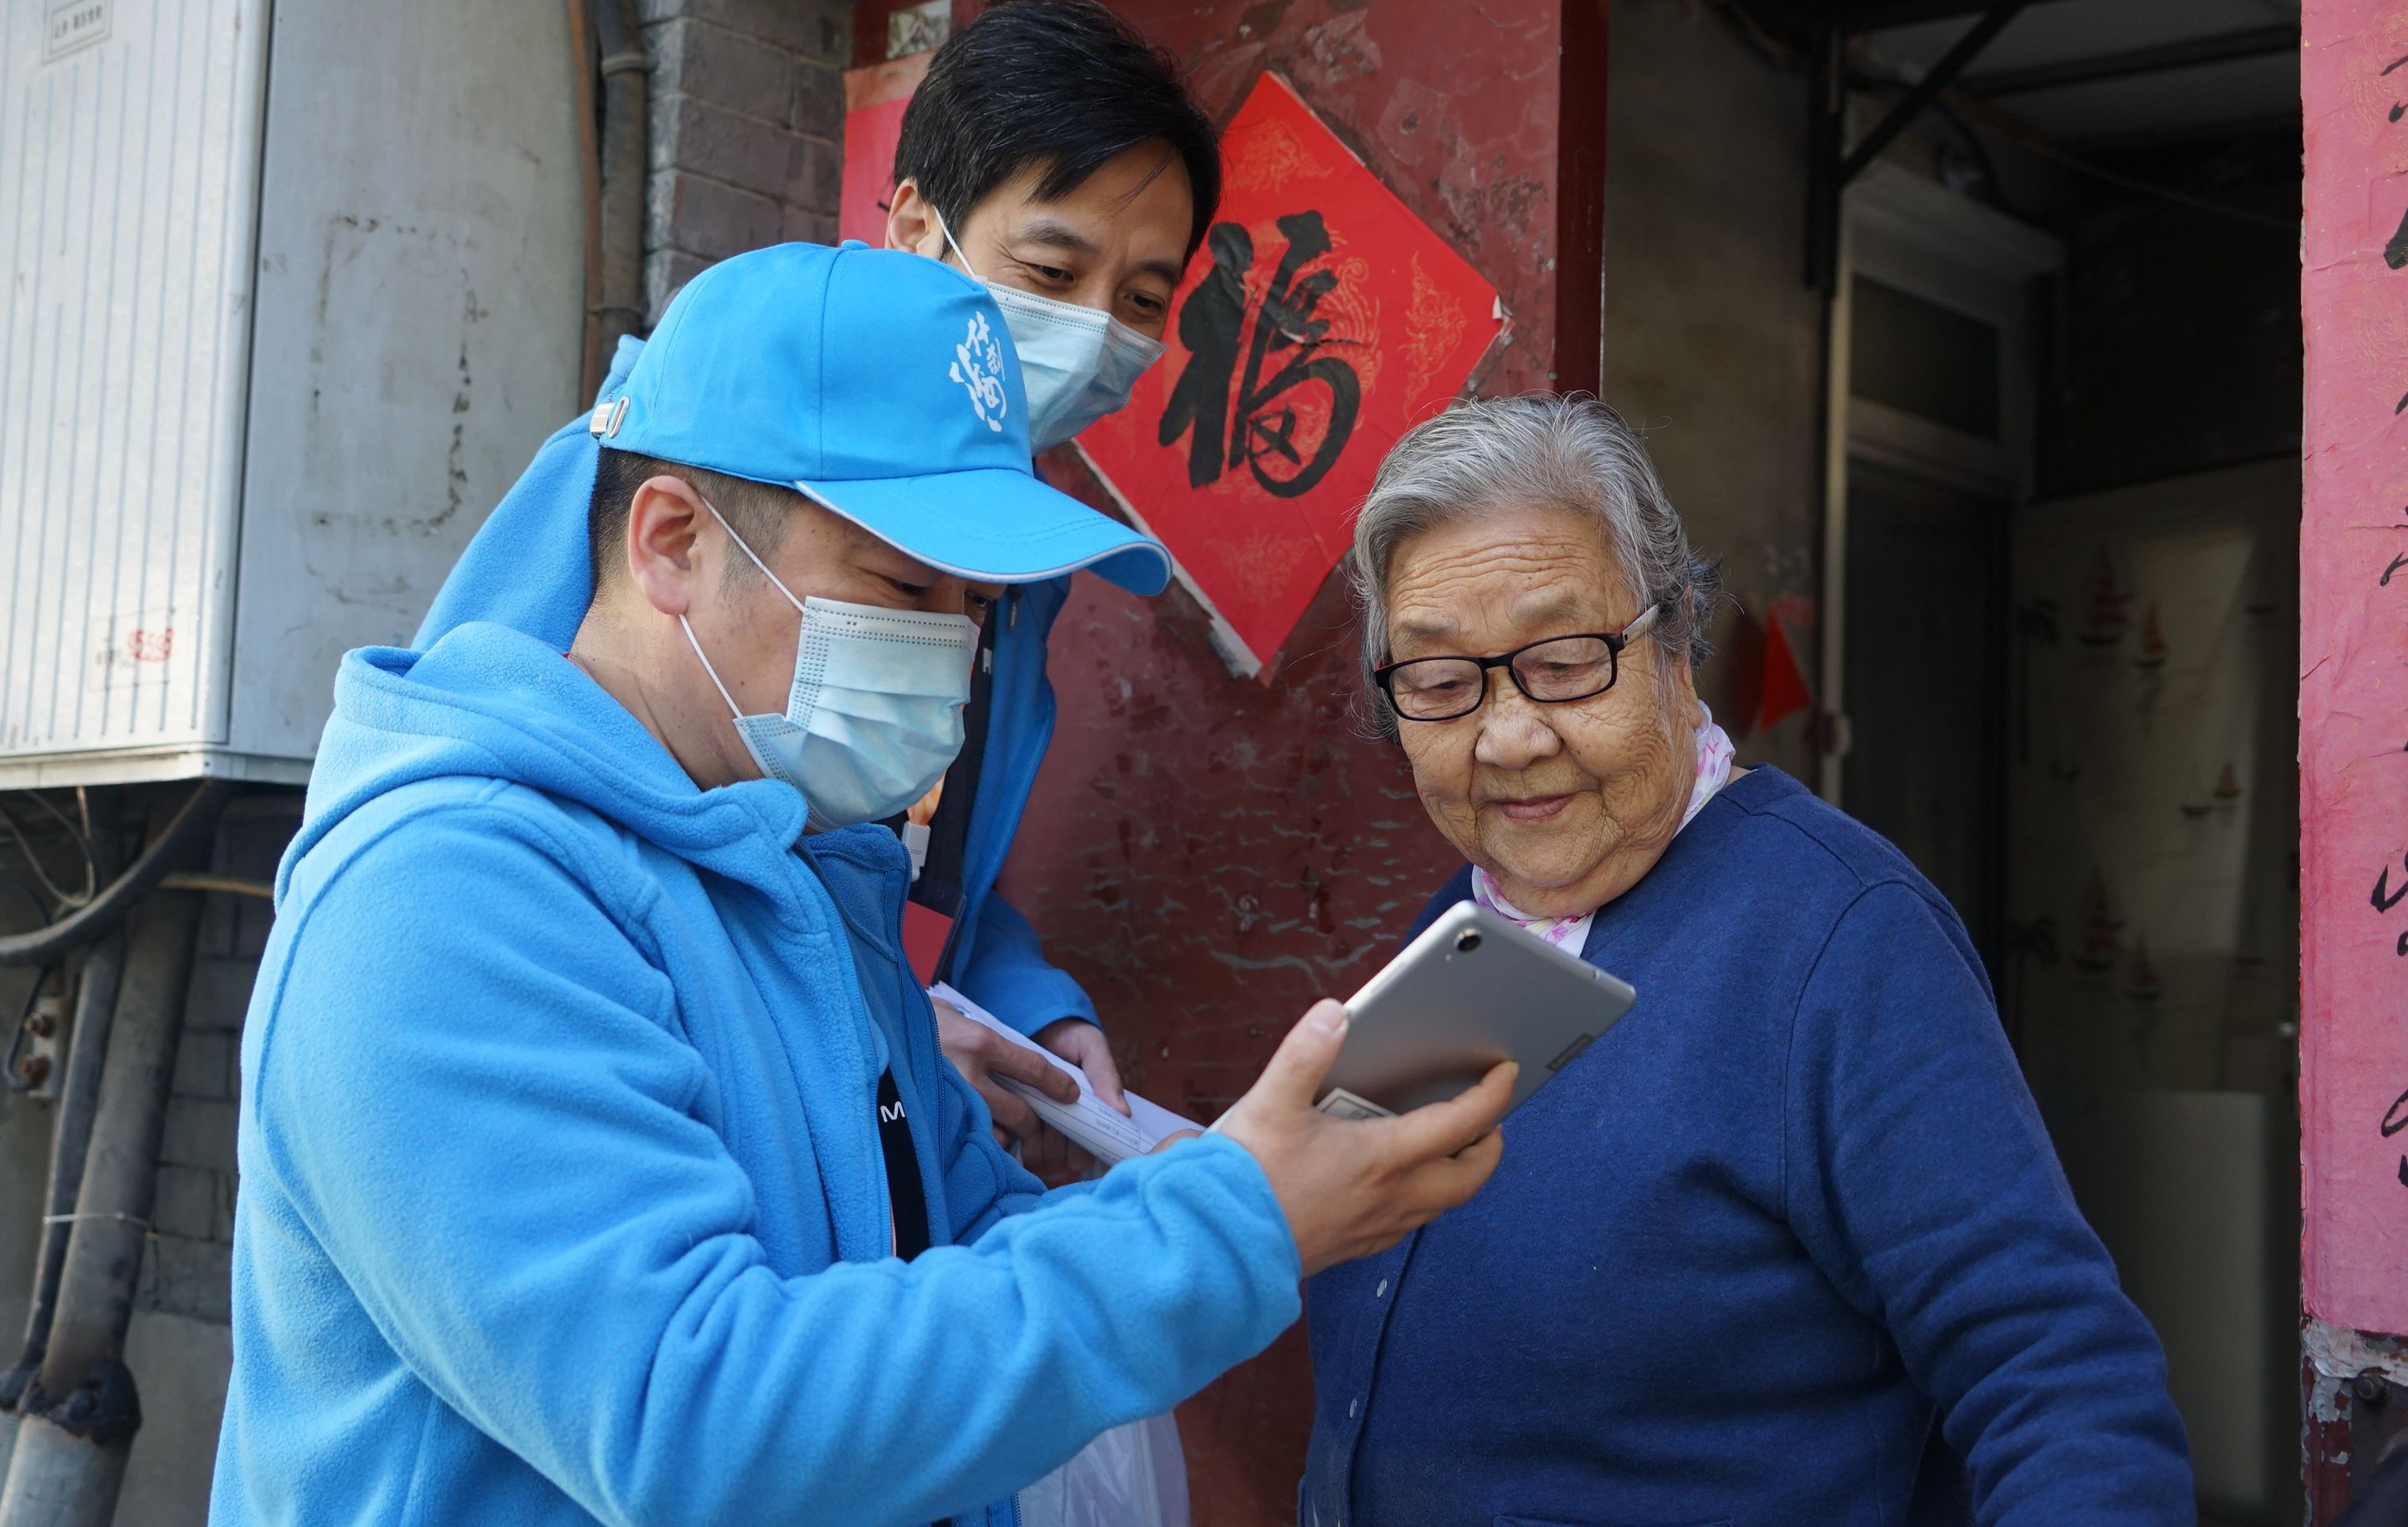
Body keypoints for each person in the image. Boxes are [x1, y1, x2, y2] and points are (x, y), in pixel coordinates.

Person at [212, 245, 1512, 1526]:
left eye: (975, 606)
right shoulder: (451, 899)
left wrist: (1248, 1172)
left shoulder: (812, 883)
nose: (951, 648)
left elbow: (949, 1261)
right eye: (904, 585)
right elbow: (696, 1419)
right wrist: (1231, 1226)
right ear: (673, 541)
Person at [1298, 394, 2195, 1525]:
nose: (1509, 736)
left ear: (1675, 645)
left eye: (1567, 661)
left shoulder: (1840, 941)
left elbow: (2059, 1384)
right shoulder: (1469, 918)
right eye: (1439, 682)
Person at [418, 0, 1216, 1174]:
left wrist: (1019, 1003)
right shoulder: (663, 460)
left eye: (1142, 301)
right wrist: (850, 1032)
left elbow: (903, 857)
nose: (1094, 333)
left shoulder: (1015, 567)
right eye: (1051, 269)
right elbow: (482, 810)